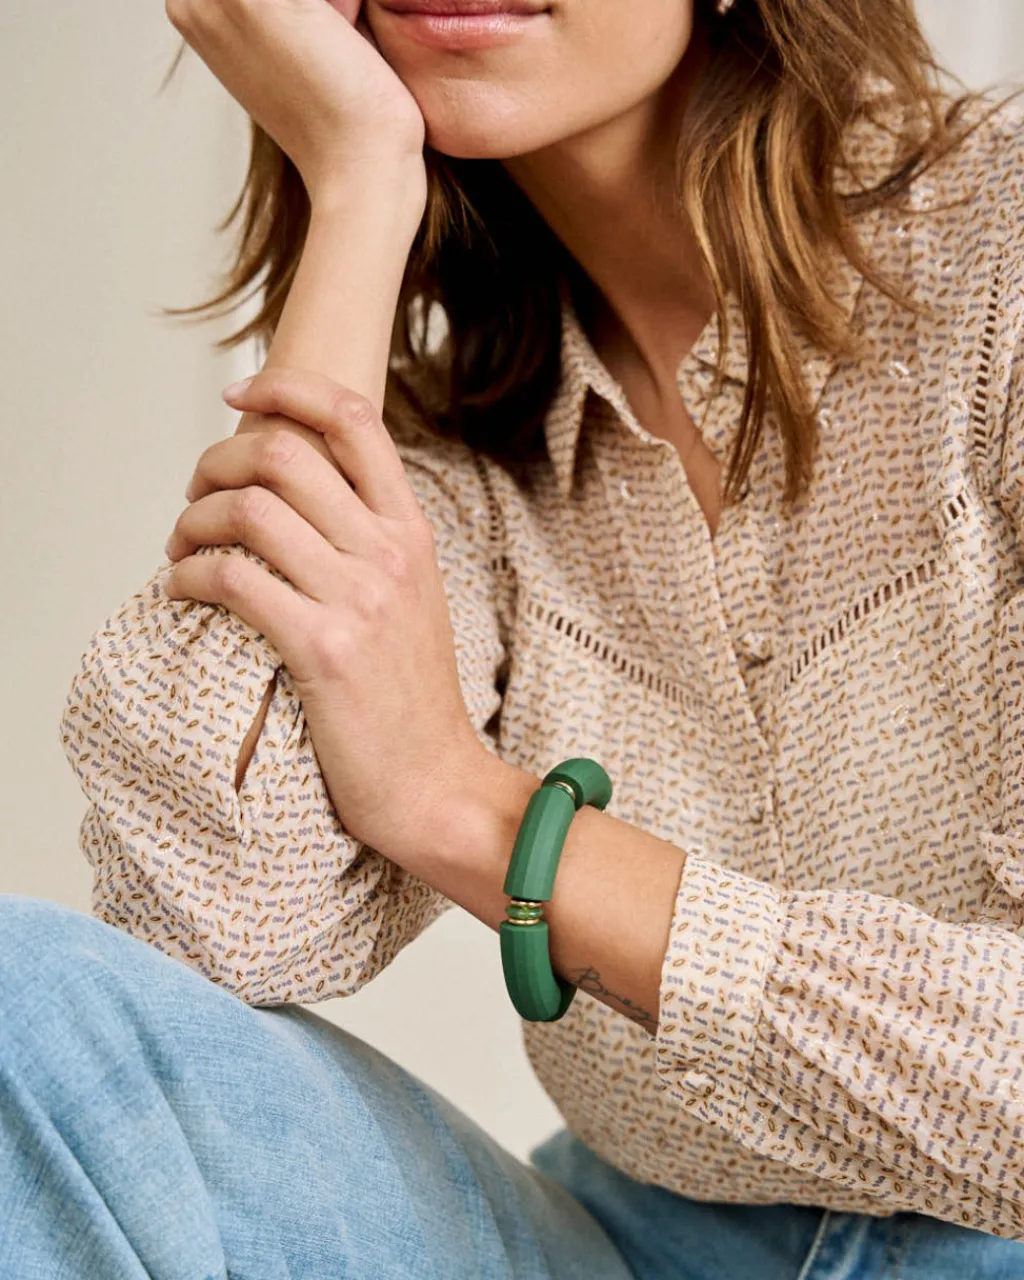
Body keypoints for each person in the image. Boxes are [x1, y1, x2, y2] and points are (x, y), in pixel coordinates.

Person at [3, 0, 1024, 1274]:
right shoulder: (464, 439)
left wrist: (466, 807)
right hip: (635, 1241)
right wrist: (359, 179)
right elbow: (200, 923)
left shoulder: (1001, 263)